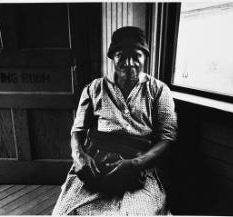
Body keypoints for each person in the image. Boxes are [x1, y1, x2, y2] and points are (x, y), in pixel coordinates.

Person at [52, 26, 177, 215]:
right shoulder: (94, 88)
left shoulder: (159, 91)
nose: (128, 63)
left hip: (141, 162)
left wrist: (136, 164)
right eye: (121, 55)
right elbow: (77, 130)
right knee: (67, 212)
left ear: (145, 57)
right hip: (97, 160)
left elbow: (167, 138)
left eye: (136, 56)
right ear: (112, 58)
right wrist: (79, 156)